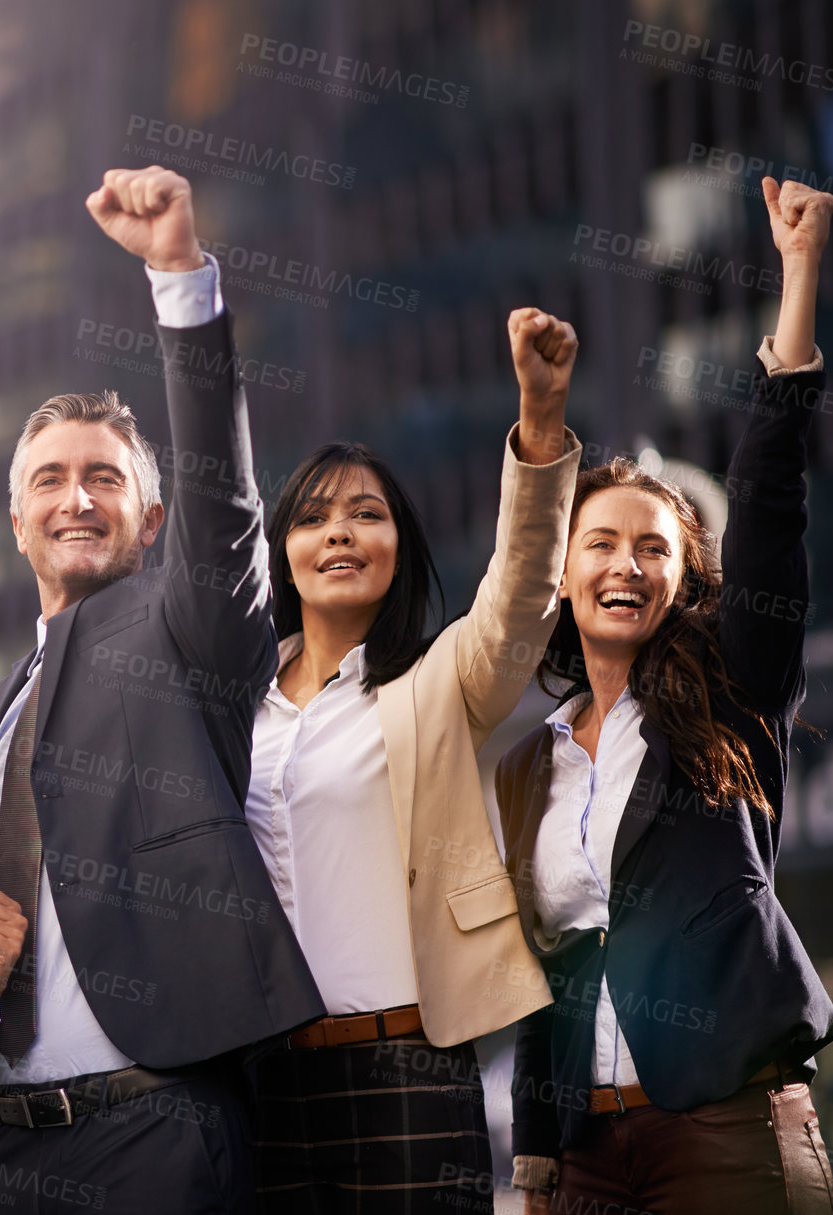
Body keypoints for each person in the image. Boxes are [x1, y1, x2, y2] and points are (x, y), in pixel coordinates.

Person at [0, 165, 323, 1214]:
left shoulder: (181, 626)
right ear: (18, 525)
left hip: (154, 1133)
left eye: (105, 477)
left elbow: (223, 504)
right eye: (49, 481)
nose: (76, 498)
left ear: (151, 524)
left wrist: (179, 282)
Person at [499, 178, 833, 1214]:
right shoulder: (532, 764)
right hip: (590, 1157)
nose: (625, 563)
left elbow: (775, 506)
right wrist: (537, 1153)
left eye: (655, 548)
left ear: (688, 578)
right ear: (562, 573)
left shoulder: (734, 699)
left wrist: (798, 277)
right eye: (599, 542)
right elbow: (542, 972)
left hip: (726, 1125)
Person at [245, 309, 582, 1211]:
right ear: (285, 552)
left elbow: (519, 593)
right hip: (263, 1084)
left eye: (367, 514)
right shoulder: (237, 708)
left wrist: (540, 423)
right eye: (315, 518)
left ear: (401, 548)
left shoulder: (440, 679)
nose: (341, 533)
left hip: (409, 1070)